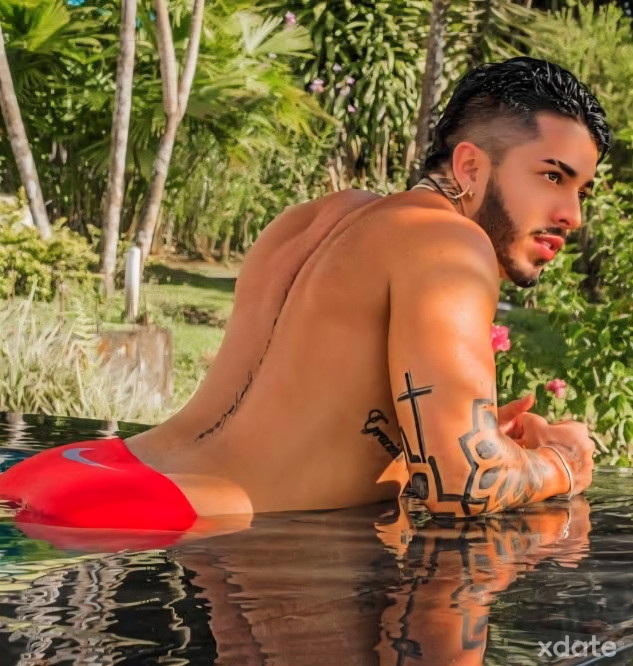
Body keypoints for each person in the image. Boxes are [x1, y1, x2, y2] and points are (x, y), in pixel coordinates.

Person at [0, 57, 607, 531]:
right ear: (470, 167)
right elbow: (464, 486)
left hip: (78, 469)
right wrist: (563, 462)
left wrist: (460, 431)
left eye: (581, 190)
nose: (571, 215)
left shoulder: (319, 218)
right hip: (149, 512)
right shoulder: (451, 244)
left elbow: (298, 423)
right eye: (552, 176)